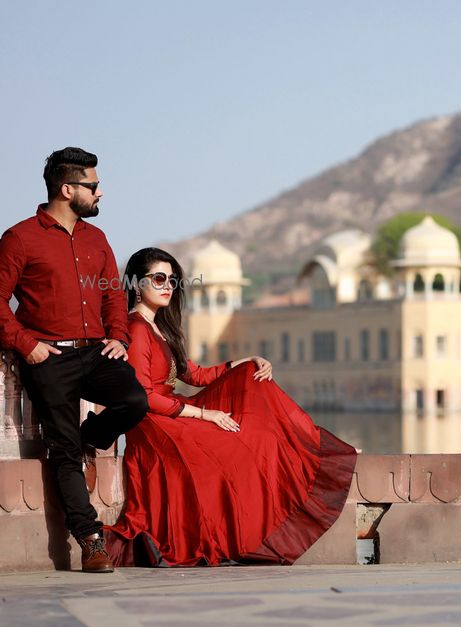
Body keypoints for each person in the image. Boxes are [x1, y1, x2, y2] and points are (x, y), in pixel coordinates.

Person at [104, 247, 357, 566]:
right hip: (154, 422)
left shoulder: (159, 328)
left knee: (253, 379)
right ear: (137, 284)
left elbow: (194, 374)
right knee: (233, 446)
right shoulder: (137, 328)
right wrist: (204, 414)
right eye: (158, 279)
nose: (168, 286)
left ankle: (310, 442)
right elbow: (145, 396)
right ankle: (307, 450)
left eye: (172, 280)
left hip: (174, 410)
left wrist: (243, 362)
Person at [0, 147, 148, 573]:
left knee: (133, 401)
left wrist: (118, 336)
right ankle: (90, 540)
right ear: (67, 189)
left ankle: (90, 435)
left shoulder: (96, 238)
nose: (100, 193)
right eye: (93, 185)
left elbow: (112, 295)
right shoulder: (20, 238)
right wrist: (26, 344)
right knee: (63, 452)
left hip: (97, 353)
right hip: (49, 359)